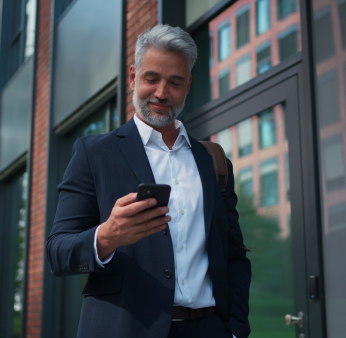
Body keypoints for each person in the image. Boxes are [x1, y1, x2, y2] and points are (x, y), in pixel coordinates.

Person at [46, 24, 251, 338]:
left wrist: (235, 329)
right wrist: (107, 237)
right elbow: (58, 253)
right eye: (151, 78)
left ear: (188, 85)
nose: (161, 93)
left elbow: (233, 254)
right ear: (132, 77)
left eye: (175, 82)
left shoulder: (212, 161)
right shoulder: (93, 153)